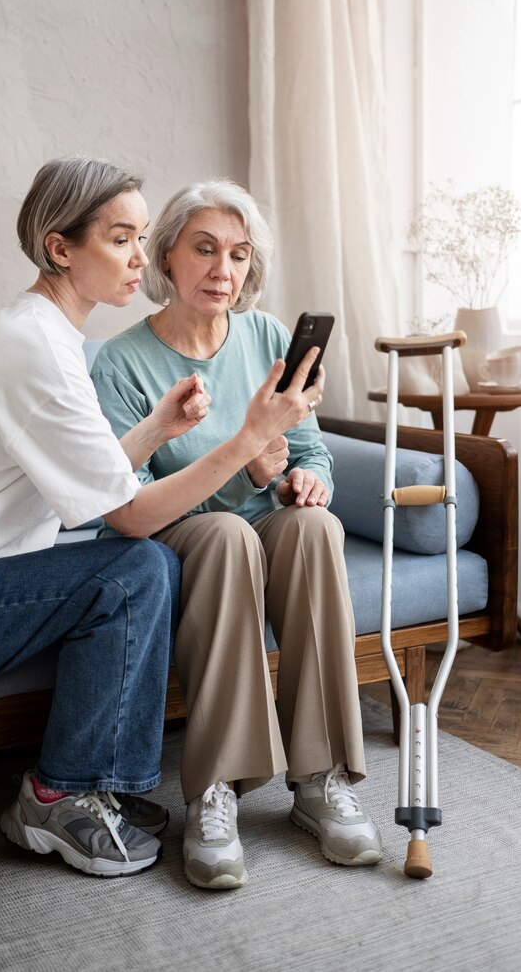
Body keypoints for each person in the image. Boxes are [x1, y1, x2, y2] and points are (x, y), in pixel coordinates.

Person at [0, 158, 323, 881]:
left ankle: (107, 789)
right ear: (61, 248)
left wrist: (157, 430)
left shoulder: (45, 334)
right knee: (138, 567)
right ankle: (55, 793)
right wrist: (248, 440)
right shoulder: (36, 350)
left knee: (147, 566)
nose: (141, 257)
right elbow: (129, 516)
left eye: (140, 238)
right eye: (122, 238)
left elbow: (97, 482)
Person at [91, 178, 382, 890]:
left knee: (315, 528)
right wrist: (249, 475)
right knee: (226, 534)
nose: (224, 269)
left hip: (262, 521)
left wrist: (306, 482)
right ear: (167, 255)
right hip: (179, 537)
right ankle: (214, 791)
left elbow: (309, 448)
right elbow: (134, 503)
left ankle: (320, 779)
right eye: (206, 249)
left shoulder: (268, 336)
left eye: (240, 255)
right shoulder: (122, 361)